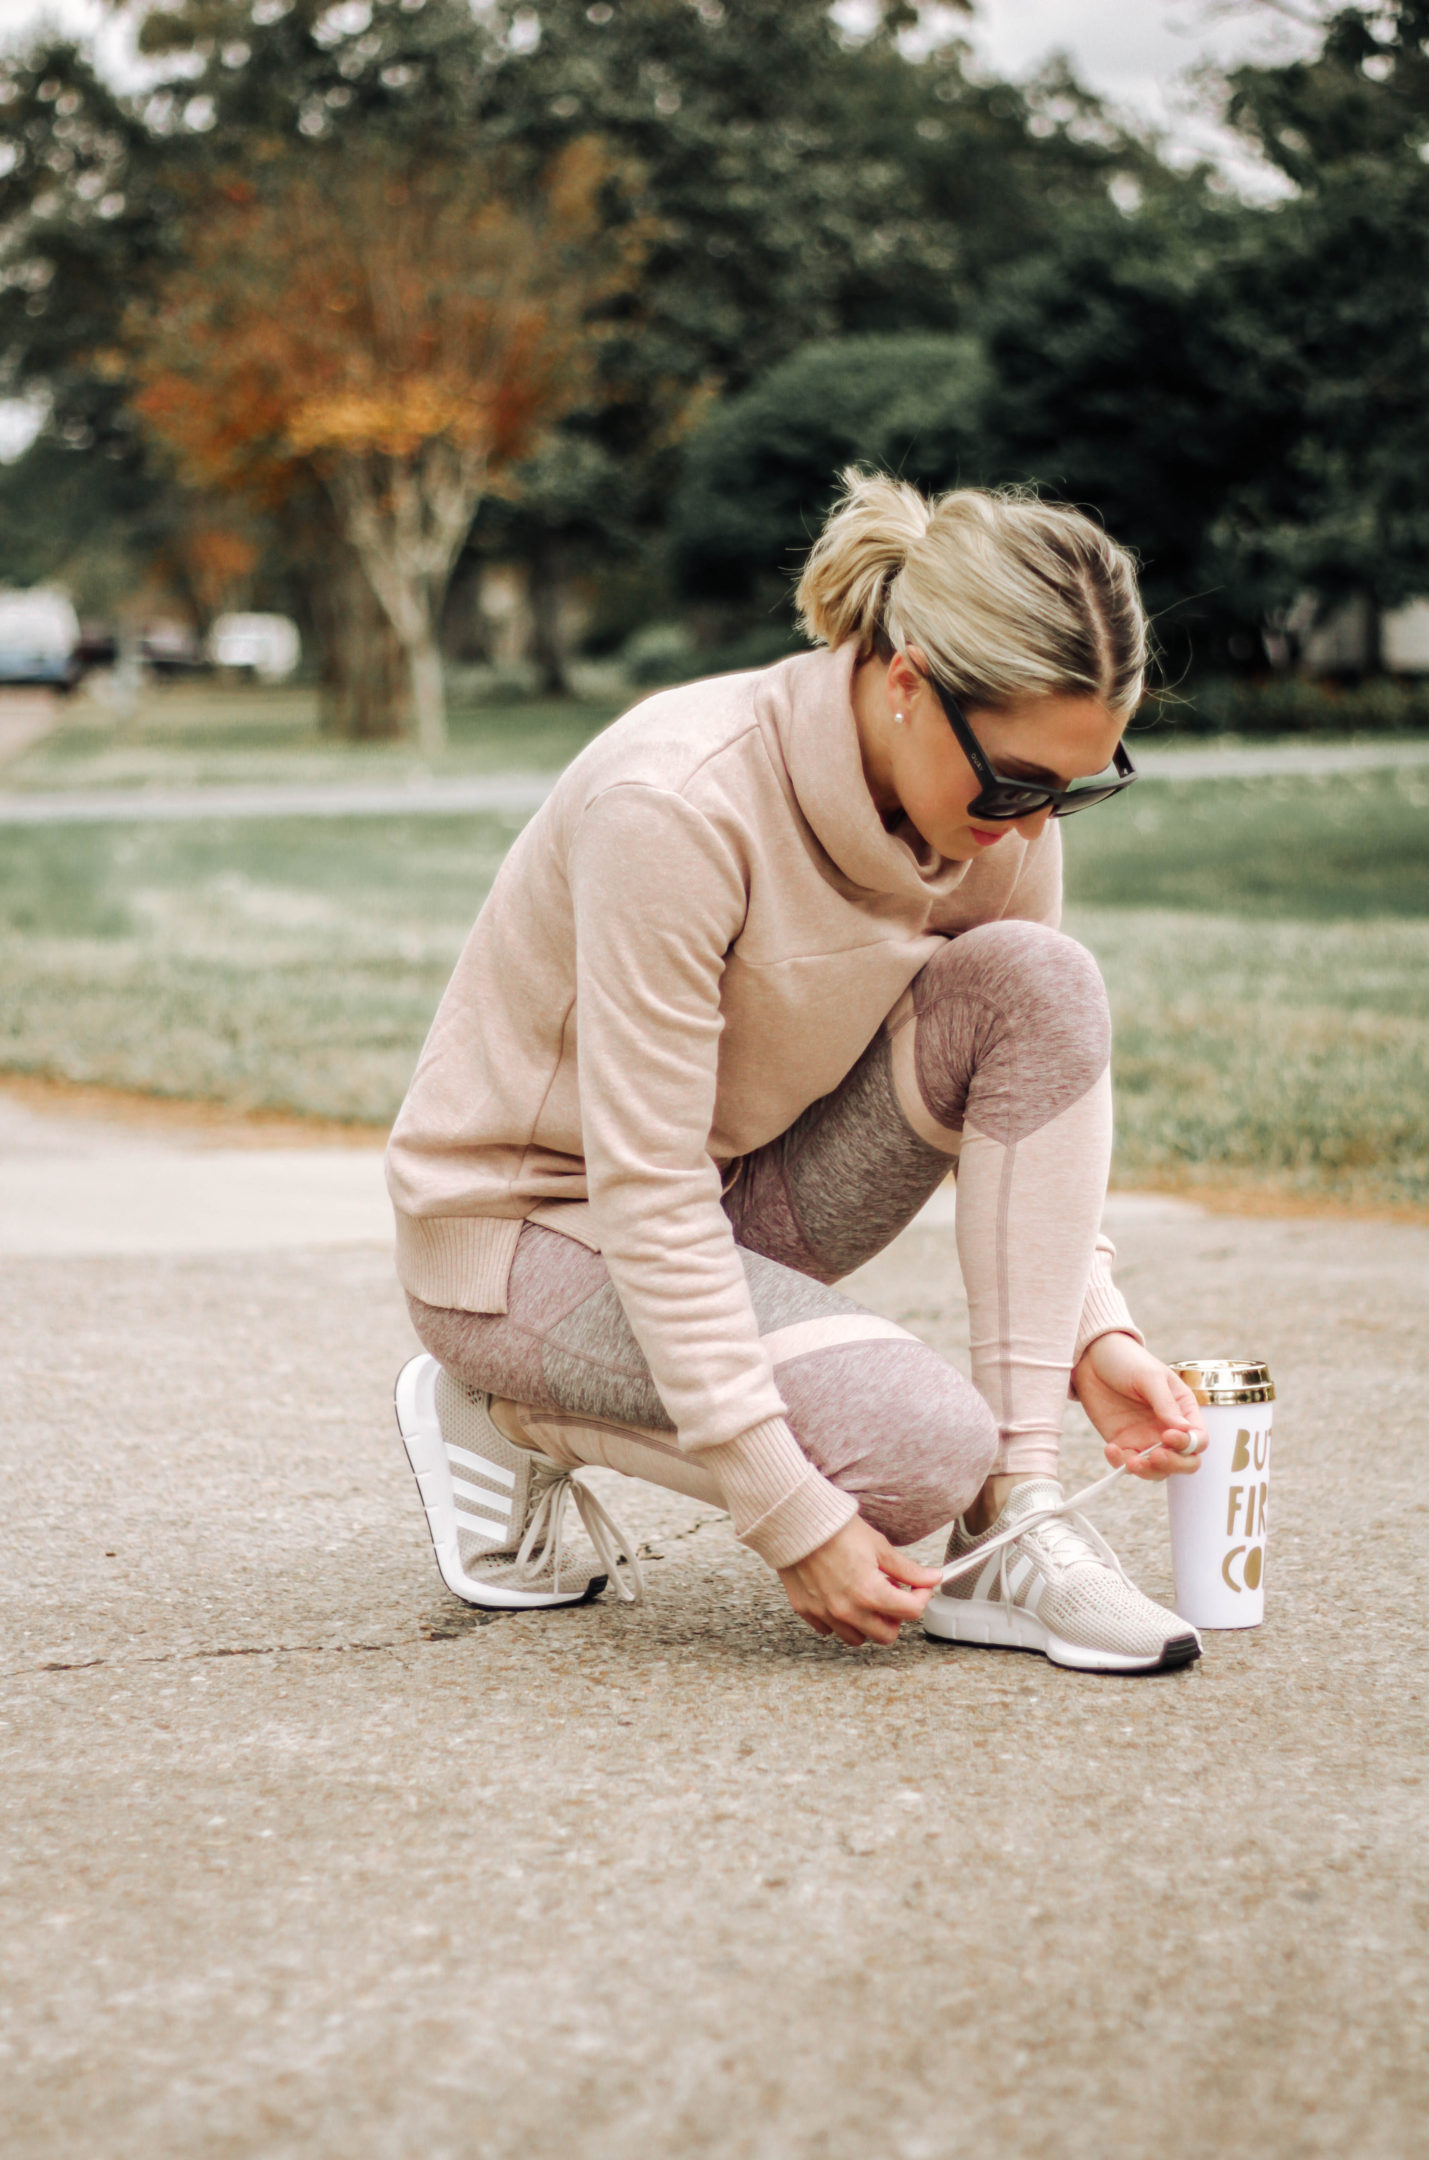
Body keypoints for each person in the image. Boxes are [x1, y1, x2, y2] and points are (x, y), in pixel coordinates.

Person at [387, 471, 1209, 1675]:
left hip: (734, 1202)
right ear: (907, 683)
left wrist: (1096, 1334)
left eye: (1076, 790)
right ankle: (501, 1411)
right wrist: (789, 1507)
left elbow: (1028, 1083)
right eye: (1021, 784)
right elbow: (650, 1183)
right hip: (520, 1243)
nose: (1035, 827)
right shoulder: (674, 803)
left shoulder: (989, 819)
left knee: (1040, 977)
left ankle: (1020, 1520)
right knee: (923, 1453)